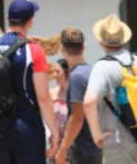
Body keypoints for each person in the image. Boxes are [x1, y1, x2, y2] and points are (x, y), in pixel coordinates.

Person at [0, 0, 58, 164]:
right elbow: (43, 97)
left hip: (1, 126)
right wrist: (54, 131)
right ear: (30, 22)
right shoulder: (34, 50)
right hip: (27, 126)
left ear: (7, 19)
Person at [82, 14, 137, 164]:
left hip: (118, 140)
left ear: (101, 42)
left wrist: (96, 134)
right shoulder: (135, 61)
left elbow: (89, 102)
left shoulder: (103, 67)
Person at [55, 27, 101, 164]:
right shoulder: (92, 72)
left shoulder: (76, 77)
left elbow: (77, 117)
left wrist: (63, 149)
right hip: (95, 146)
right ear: (84, 47)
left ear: (62, 49)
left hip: (82, 149)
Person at [50, 59, 70, 145]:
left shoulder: (75, 93)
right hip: (54, 141)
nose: (54, 75)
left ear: (67, 72)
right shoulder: (51, 92)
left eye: (57, 72)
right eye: (53, 72)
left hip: (72, 142)